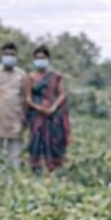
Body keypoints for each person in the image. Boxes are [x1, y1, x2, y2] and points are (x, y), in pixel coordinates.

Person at [23, 45, 71, 173]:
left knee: (55, 141)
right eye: (37, 58)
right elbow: (28, 98)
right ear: (33, 60)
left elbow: (62, 94)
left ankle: (56, 169)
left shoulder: (56, 76)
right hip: (36, 115)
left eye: (43, 57)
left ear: (48, 59)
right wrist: (39, 108)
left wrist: (53, 107)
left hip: (54, 115)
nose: (40, 60)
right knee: (36, 141)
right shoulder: (30, 77)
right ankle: (36, 169)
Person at [0, 42, 27, 167]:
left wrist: (24, 117)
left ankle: (14, 180)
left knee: (15, 157)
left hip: (15, 118)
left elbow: (24, 97)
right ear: (2, 55)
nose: (9, 57)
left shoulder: (21, 74)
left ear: (16, 56)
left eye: (12, 54)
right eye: (7, 54)